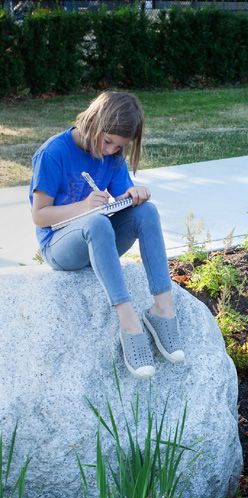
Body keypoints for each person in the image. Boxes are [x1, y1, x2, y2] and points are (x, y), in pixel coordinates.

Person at [29, 91, 184, 379]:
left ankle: (163, 309)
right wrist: (85, 207)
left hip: (99, 242)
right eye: (108, 141)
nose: (111, 150)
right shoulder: (53, 153)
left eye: (119, 146)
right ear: (93, 122)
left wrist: (133, 194)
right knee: (97, 222)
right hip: (61, 247)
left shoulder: (113, 156)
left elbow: (122, 196)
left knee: (147, 211)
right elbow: (40, 216)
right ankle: (129, 322)